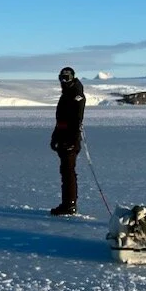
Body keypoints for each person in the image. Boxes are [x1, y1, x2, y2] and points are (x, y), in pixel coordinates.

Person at [49, 66, 86, 216]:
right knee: (65, 171)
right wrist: (55, 137)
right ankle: (67, 203)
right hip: (63, 136)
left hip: (71, 138)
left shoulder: (76, 94)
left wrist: (72, 140)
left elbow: (77, 119)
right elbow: (61, 120)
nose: (63, 81)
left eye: (66, 78)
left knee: (69, 171)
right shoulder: (67, 93)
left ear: (72, 78)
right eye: (61, 78)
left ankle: (69, 204)